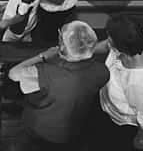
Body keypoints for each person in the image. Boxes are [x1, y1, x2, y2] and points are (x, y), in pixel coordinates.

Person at [7, 20, 108, 151]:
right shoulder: (102, 71)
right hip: (73, 129)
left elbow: (13, 74)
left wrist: (42, 56)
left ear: (63, 46)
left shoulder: (46, 74)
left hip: (39, 128)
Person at [90, 15, 143, 151]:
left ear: (121, 48)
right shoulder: (141, 37)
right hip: (105, 104)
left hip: (121, 124)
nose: (108, 41)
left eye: (110, 39)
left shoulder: (138, 83)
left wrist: (141, 139)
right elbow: (108, 44)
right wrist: (86, 51)